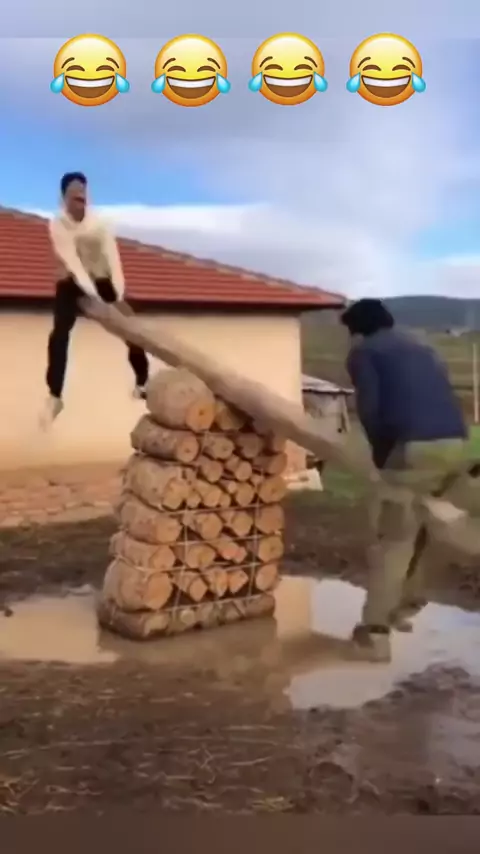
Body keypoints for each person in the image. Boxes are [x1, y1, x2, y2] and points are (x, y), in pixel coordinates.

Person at [341, 298, 468, 662]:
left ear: (358, 328)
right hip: (454, 442)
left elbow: (370, 410)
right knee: (425, 527)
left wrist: (382, 457)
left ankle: (374, 635)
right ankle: (405, 606)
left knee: (394, 539)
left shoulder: (365, 352)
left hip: (412, 448)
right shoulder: (422, 347)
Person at [41, 172, 149, 427]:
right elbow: (73, 262)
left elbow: (113, 259)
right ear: (64, 198)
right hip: (72, 281)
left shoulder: (99, 223)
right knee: (59, 334)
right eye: (74, 192)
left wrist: (116, 294)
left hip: (102, 278)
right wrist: (92, 296)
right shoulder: (57, 225)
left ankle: (142, 381)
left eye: (83, 192)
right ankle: (55, 396)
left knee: (131, 325)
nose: (80, 196)